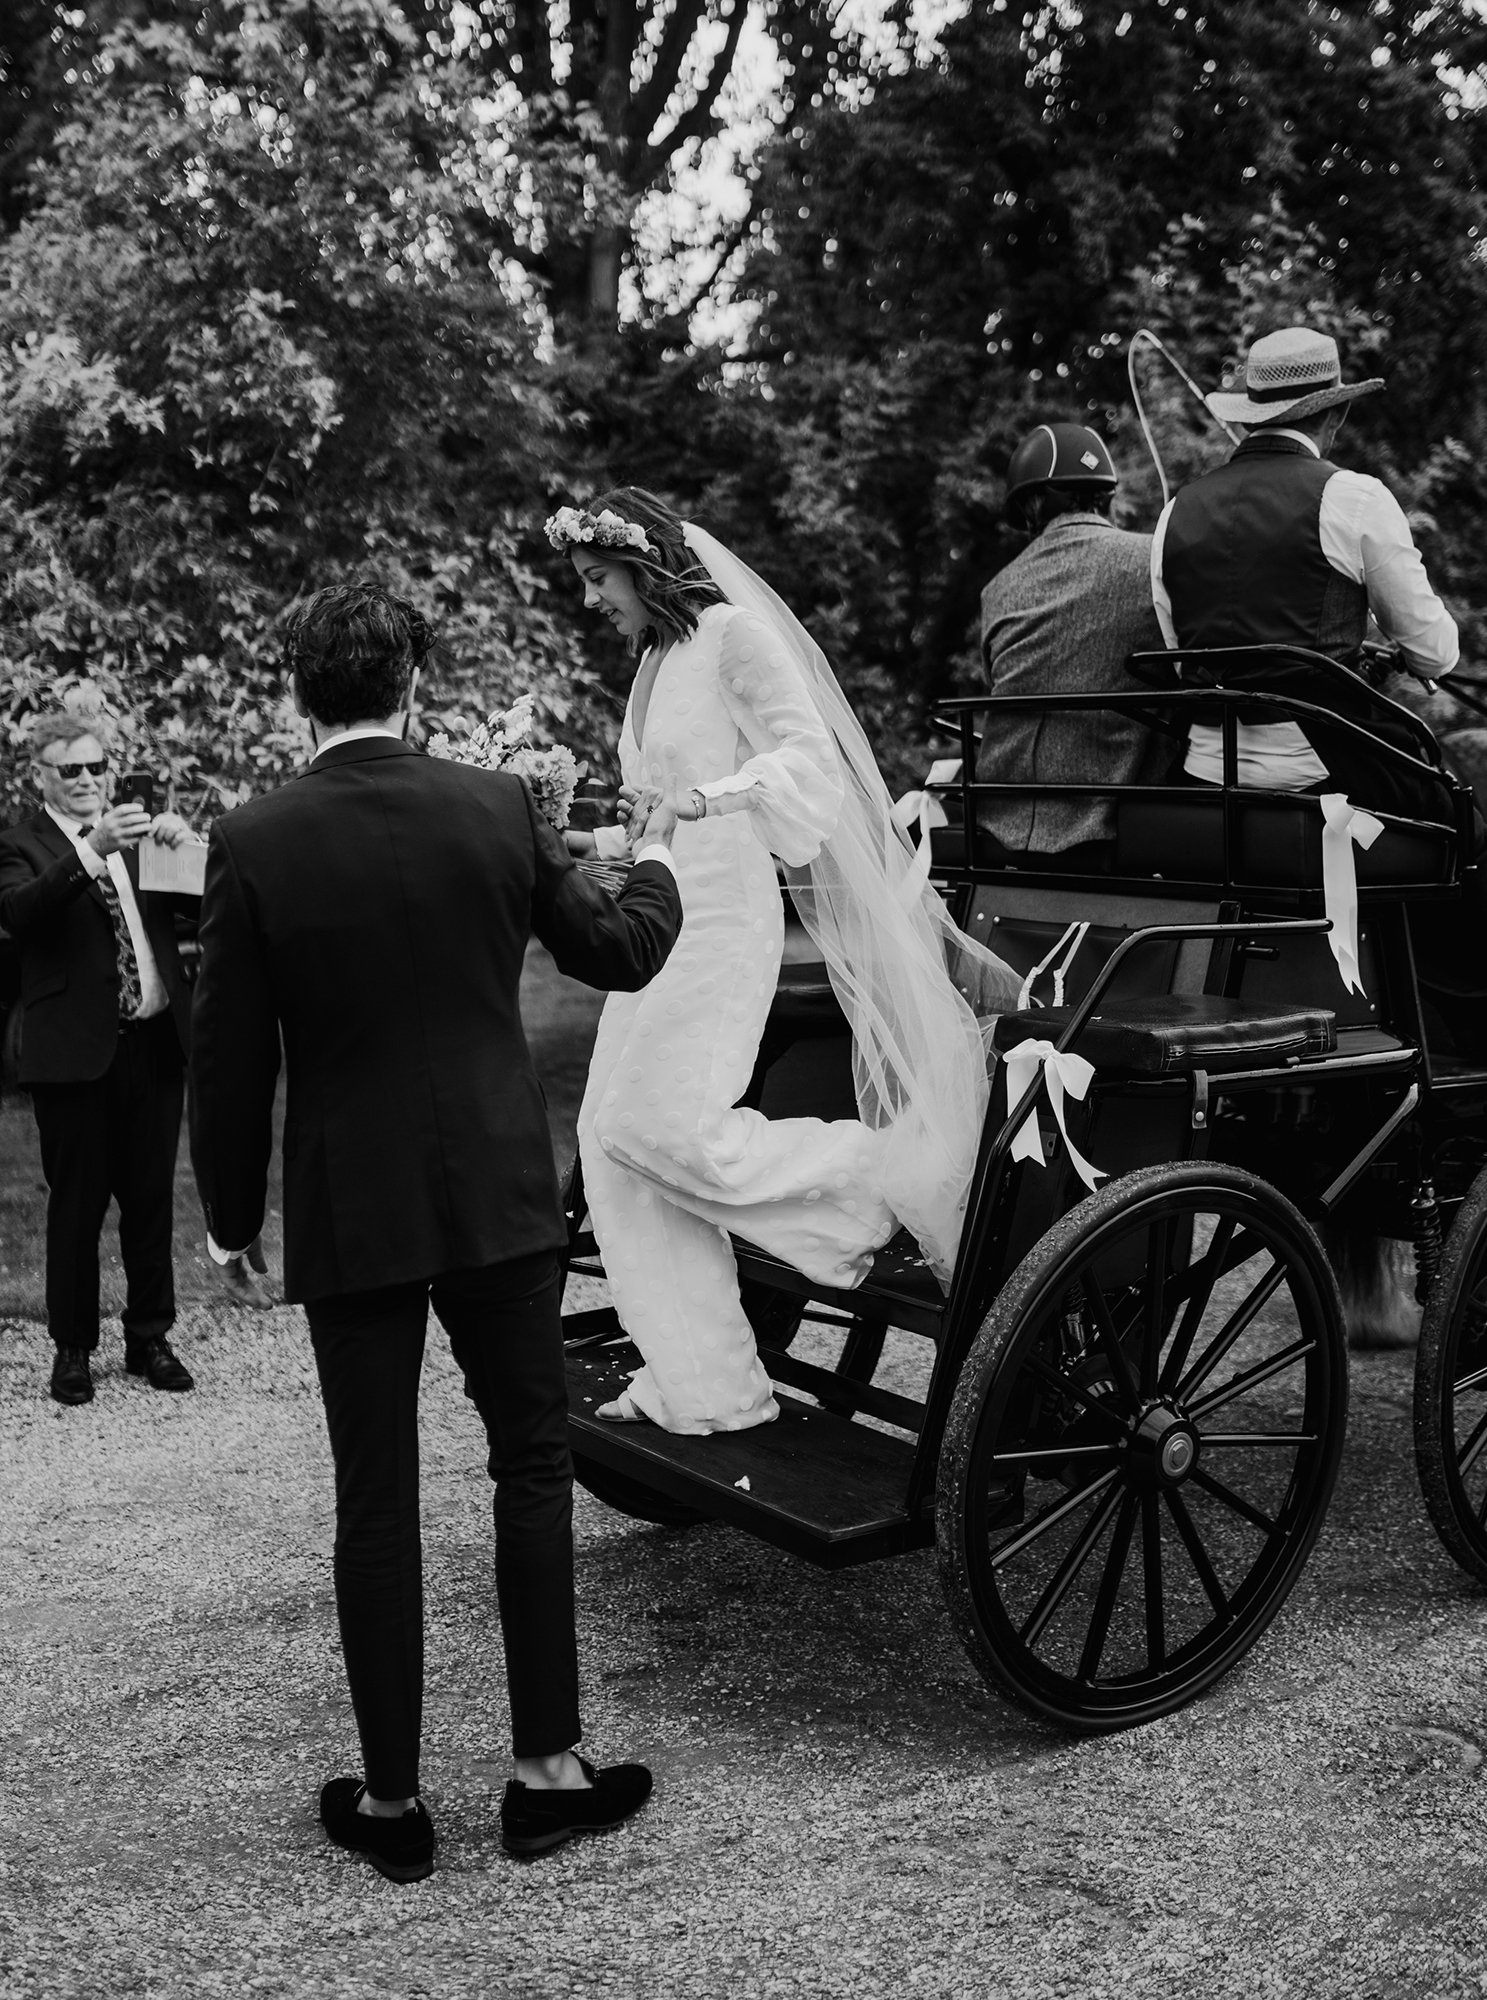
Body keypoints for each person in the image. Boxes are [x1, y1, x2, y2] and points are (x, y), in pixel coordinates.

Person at [188, 581, 684, 1879]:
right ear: (414, 681)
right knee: (529, 1462)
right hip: (501, 1194)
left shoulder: (250, 841)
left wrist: (232, 1220)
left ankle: (396, 1809)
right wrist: (664, 861)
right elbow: (617, 951)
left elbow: (225, 1063)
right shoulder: (495, 808)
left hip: (354, 1207)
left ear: (301, 692)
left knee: (375, 1494)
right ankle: (545, 1776)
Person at [549, 488, 1019, 1436]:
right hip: (656, 922)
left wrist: (708, 799)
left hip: (723, 925)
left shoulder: (729, 636)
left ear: (645, 565)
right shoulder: (651, 662)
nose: (591, 600)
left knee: (659, 1127)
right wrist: (578, 841)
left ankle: (873, 1175)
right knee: (608, 1150)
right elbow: (653, 814)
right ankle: (706, 1383)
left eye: (599, 579)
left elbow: (811, 763)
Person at [1150, 324, 1460, 809]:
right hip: (1327, 764)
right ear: (1337, 412)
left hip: (1203, 768)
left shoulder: (1174, 512)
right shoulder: (1355, 498)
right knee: (1468, 828)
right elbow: (1433, 654)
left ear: (1253, 415)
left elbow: (1178, 652)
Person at [0, 713, 200, 1406]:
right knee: (77, 1208)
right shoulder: (19, 842)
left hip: (153, 1041)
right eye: (71, 770)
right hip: (74, 1056)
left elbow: (202, 914)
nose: (87, 779)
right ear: (42, 776)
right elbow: (20, 912)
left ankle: (149, 1338)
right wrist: (91, 849)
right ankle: (73, 1350)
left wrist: (185, 849)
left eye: (95, 766)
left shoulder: (139, 836)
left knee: (149, 1201)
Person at [978, 422, 1175, 872]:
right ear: (1105, 497)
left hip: (999, 825)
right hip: (1112, 825)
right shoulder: (1153, 561)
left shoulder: (998, 590)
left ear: (1031, 506)